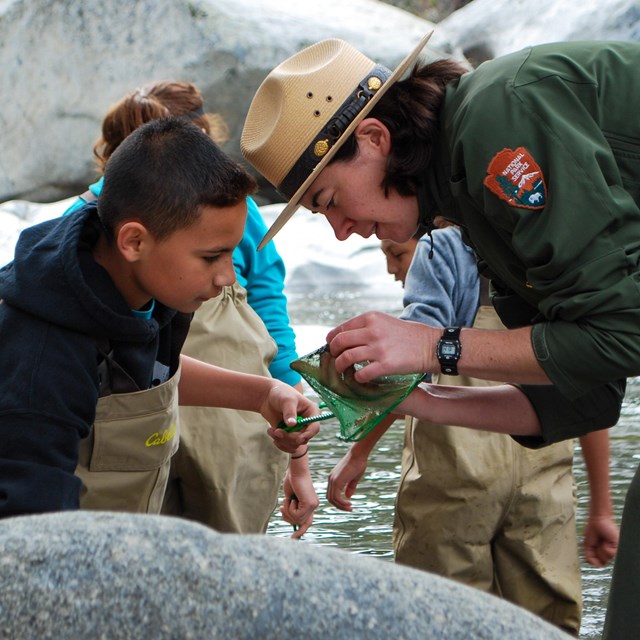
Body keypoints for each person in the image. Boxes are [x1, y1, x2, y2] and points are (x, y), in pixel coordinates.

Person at [240, 34, 640, 637]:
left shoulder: (496, 117)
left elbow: (621, 333)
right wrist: (418, 397)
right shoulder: (464, 204)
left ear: (375, 139)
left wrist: (432, 346)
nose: (344, 233)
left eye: (328, 202)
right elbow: (583, 395)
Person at [0, 117, 319, 536]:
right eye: (211, 257)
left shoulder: (148, 293)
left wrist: (262, 393)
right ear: (134, 242)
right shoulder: (44, 356)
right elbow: (32, 535)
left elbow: (145, 372)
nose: (227, 277)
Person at [329, 227, 618, 635]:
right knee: (547, 625)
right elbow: (587, 391)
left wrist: (358, 452)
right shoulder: (553, 249)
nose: (395, 270)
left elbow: (403, 374)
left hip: (454, 482)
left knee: (444, 617)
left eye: (395, 254)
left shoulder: (439, 250)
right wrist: (601, 508)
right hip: (544, 486)